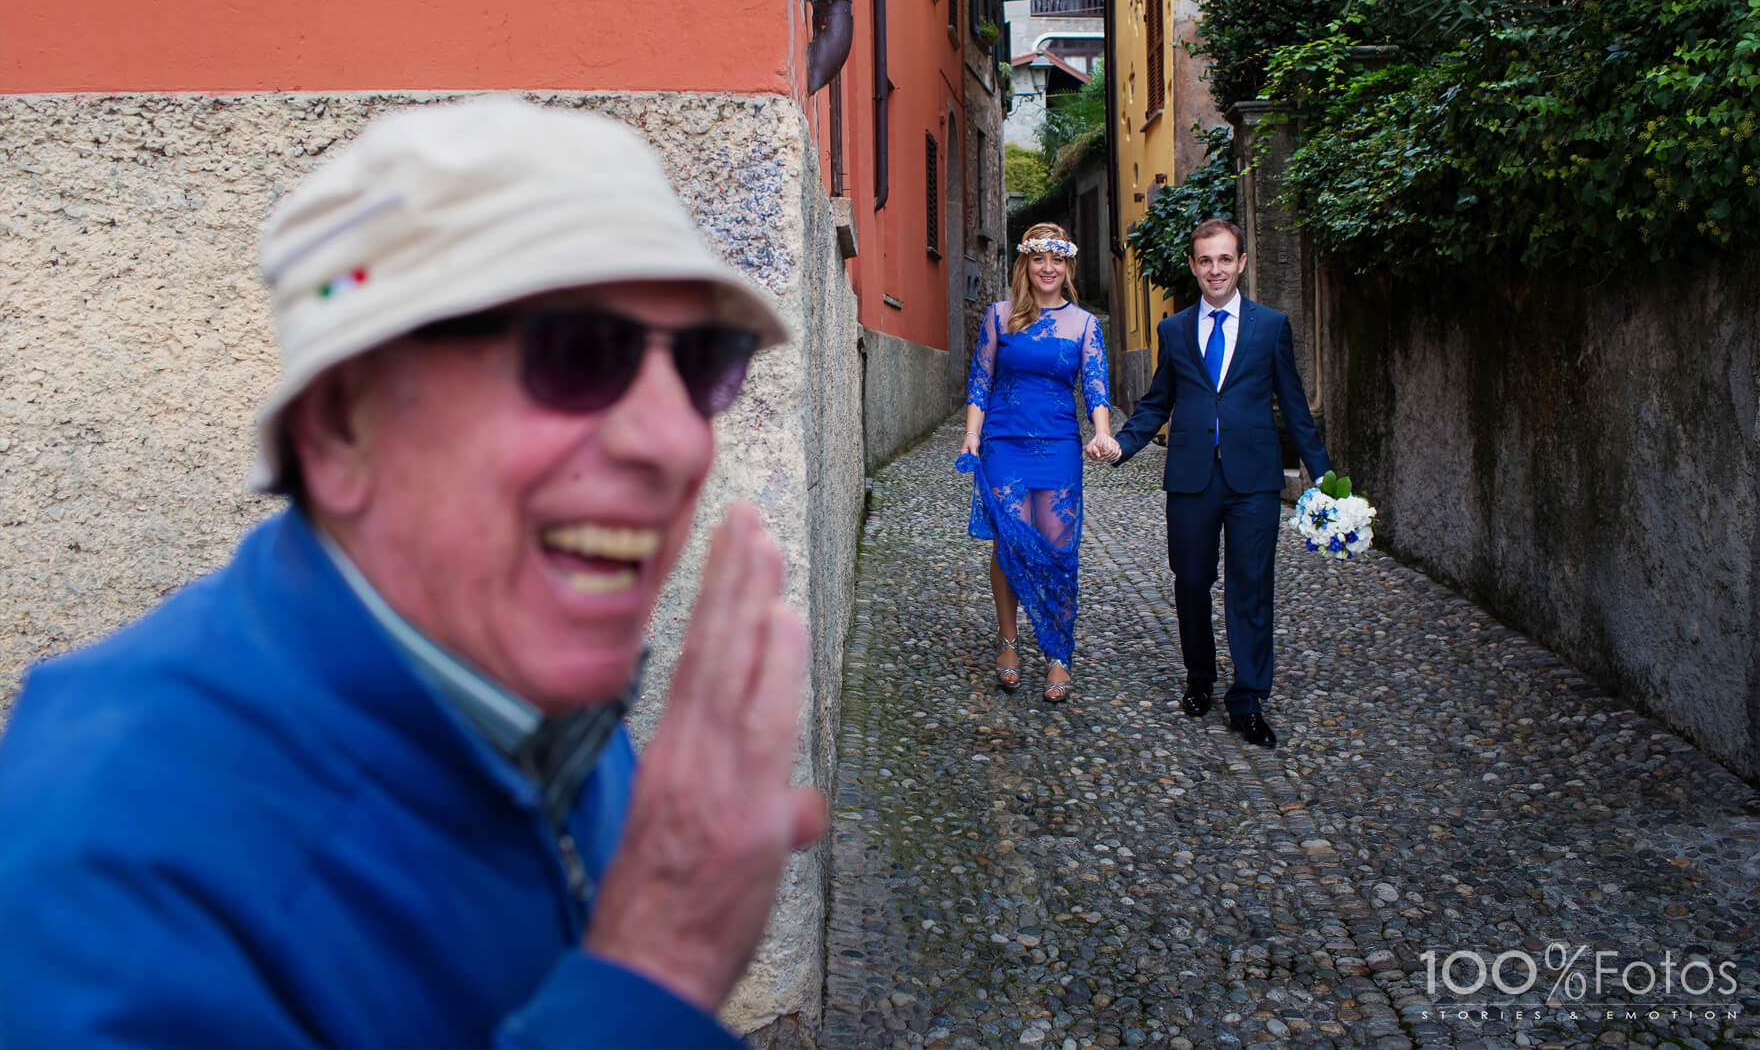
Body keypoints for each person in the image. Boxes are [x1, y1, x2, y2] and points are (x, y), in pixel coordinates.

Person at [0, 98, 825, 1048]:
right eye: (574, 351)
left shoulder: (524, 683)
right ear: (343, 426)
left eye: (701, 362)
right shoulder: (107, 869)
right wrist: (655, 973)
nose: (679, 439)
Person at [1112, 218, 1331, 750]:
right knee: (1190, 581)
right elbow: (1158, 400)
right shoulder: (1174, 331)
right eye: (1205, 260)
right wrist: (1122, 444)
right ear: (1193, 265)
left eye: (1225, 259)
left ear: (1242, 263)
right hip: (1191, 477)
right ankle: (1199, 678)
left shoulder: (1271, 326)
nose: (1215, 269)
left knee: (1251, 586)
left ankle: (1248, 699)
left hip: (1253, 477)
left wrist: (1324, 476)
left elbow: (1295, 406)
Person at [960, 222, 1119, 704]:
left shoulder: (1084, 324)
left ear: (1066, 266)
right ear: (1025, 265)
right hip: (1003, 444)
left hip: (1058, 447)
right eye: (1038, 259)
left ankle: (1056, 651)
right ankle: (1009, 640)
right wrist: (971, 436)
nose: (1047, 269)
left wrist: (1103, 432)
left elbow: (1095, 386)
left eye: (1056, 260)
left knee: (1058, 550)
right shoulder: (999, 316)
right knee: (1009, 543)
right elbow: (980, 382)